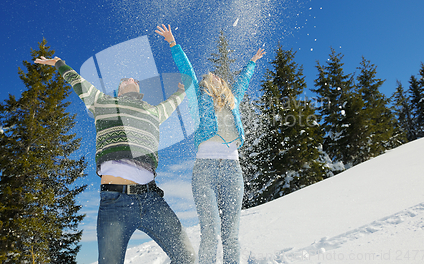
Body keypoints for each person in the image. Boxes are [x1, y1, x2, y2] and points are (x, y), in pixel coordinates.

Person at [34, 55, 195, 264]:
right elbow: (79, 83)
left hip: (152, 199)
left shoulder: (153, 111)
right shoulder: (103, 104)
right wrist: (59, 64)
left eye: (135, 80)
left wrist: (182, 91)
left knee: (187, 257)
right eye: (125, 79)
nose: (131, 79)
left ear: (139, 89)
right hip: (115, 201)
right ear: (118, 91)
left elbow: (172, 103)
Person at [155, 25, 265, 264]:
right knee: (210, 232)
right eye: (211, 76)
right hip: (204, 169)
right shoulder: (198, 97)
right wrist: (173, 43)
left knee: (231, 235)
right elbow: (186, 69)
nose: (216, 75)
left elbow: (243, 82)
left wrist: (252, 62)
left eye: (218, 76)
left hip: (232, 170)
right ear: (206, 83)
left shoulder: (232, 101)